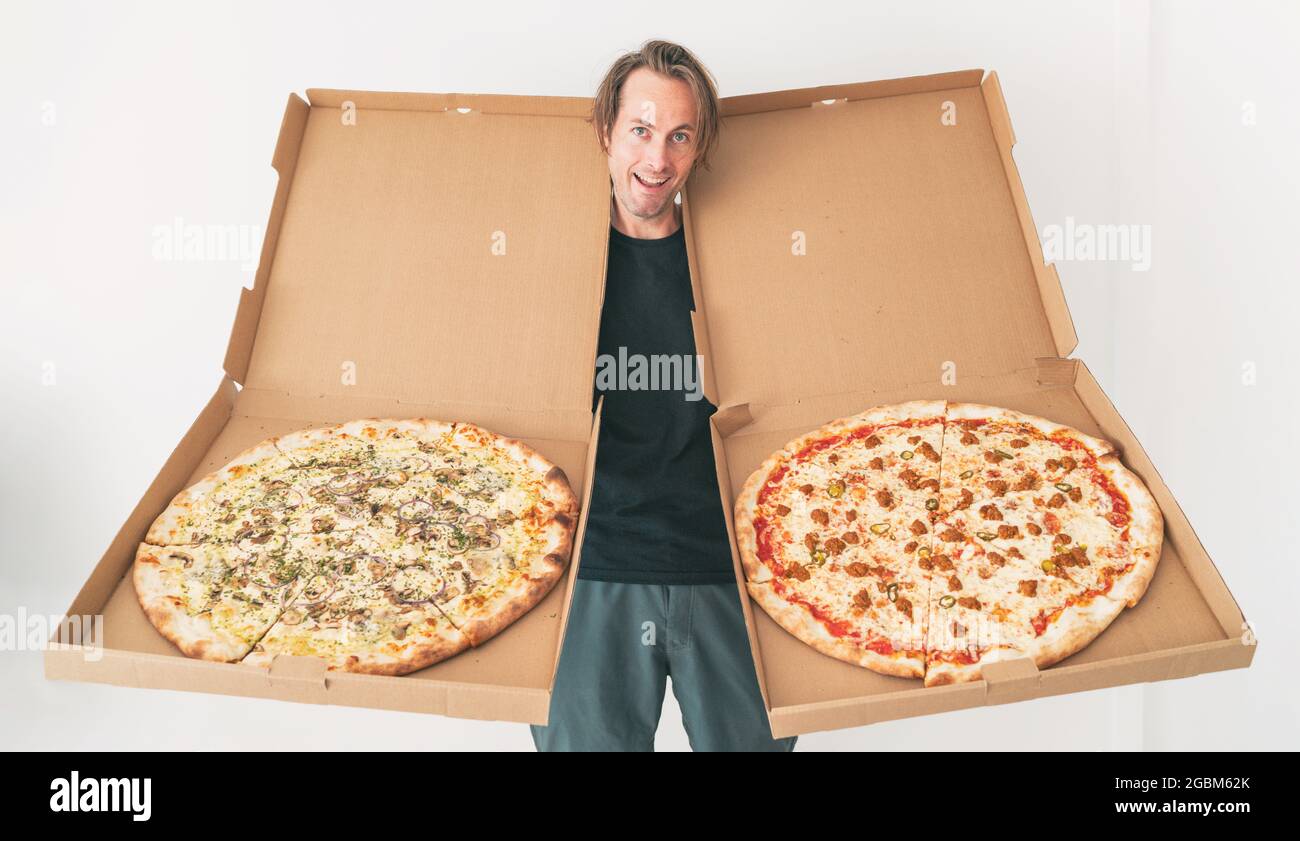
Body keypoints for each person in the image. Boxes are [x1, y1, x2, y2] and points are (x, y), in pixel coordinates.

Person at [529, 40, 796, 752]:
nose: (658, 159)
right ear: (605, 133)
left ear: (699, 144)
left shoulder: (742, 257)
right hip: (591, 570)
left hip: (731, 568)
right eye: (641, 131)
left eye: (680, 135)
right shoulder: (548, 260)